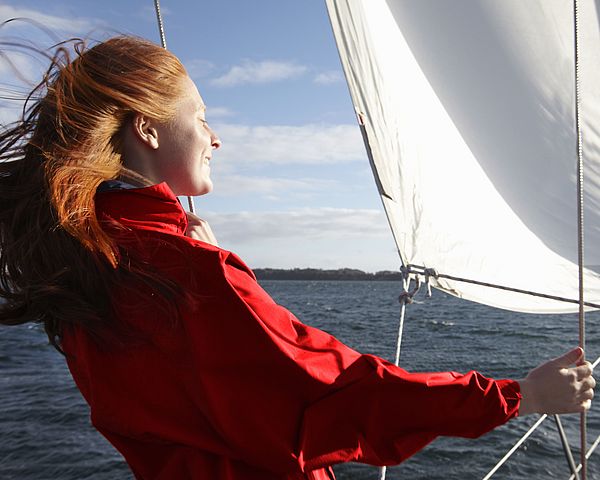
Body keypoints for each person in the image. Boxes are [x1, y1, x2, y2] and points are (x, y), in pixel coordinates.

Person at [0, 35, 594, 480]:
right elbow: (342, 395)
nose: (214, 138)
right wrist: (523, 396)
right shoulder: (189, 274)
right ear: (148, 129)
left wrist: (188, 245)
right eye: (202, 118)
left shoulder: (79, 262)